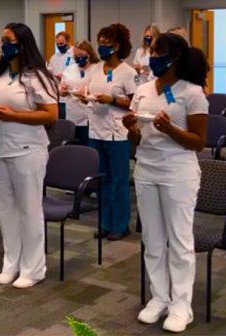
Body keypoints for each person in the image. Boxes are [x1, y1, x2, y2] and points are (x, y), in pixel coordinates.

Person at [123, 33, 209, 333]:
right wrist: (130, 127)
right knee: (153, 240)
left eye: (159, 52)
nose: (153, 57)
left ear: (174, 59)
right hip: (146, 169)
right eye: (152, 51)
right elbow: (136, 137)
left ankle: (181, 305)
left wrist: (169, 128)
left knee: (180, 241)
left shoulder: (192, 92)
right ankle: (159, 297)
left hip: (178, 173)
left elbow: (198, 142)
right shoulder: (144, 89)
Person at [0, 22, 58, 289]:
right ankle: (11, 262)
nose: (2, 45)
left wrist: (13, 115)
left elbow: (50, 114)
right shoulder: (0, 74)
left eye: (8, 40)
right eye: (2, 40)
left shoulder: (37, 75)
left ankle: (34, 267)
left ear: (23, 43)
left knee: (29, 209)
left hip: (27, 150)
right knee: (5, 209)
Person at [87, 23, 137, 241]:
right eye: (100, 43)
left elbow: (135, 104)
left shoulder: (128, 73)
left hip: (117, 132)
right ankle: (105, 223)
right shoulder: (95, 69)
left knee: (118, 180)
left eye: (106, 43)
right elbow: (89, 91)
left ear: (117, 46)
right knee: (103, 180)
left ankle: (120, 224)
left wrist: (114, 99)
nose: (102, 47)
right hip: (96, 130)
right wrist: (84, 96)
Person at [63, 40, 99, 145]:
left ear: (89, 54)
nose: (77, 57)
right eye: (75, 55)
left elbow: (102, 90)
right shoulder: (70, 69)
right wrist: (62, 90)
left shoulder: (97, 68)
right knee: (72, 149)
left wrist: (86, 92)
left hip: (89, 116)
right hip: (71, 115)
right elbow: (62, 88)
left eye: (81, 55)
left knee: (87, 149)